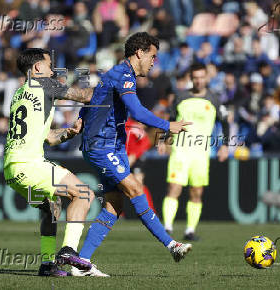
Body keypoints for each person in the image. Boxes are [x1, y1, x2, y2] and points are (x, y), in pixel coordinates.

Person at [75, 32, 192, 277]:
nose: (154, 61)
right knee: (136, 189)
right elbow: (137, 112)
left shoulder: (117, 74)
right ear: (140, 52)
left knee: (113, 206)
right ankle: (172, 245)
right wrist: (168, 125)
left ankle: (82, 263)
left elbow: (95, 100)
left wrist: (80, 120)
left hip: (110, 145)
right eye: (153, 56)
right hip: (102, 145)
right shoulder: (123, 74)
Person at [3, 48, 96, 277]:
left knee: (51, 207)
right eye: (49, 65)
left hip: (11, 169)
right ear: (37, 68)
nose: (53, 70)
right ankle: (68, 250)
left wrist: (68, 133)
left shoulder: (20, 93)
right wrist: (112, 85)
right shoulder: (44, 84)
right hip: (29, 164)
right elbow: (85, 96)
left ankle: (46, 264)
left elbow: (48, 138)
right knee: (84, 195)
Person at [161, 63, 229, 241]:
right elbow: (170, 120)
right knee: (174, 188)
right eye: (195, 77)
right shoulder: (180, 97)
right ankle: (167, 228)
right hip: (180, 151)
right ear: (191, 79)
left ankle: (190, 230)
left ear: (207, 78)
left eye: (201, 77)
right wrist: (163, 139)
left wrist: (225, 145)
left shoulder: (214, 99)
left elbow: (225, 122)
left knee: (196, 192)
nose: (199, 80)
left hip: (201, 153)